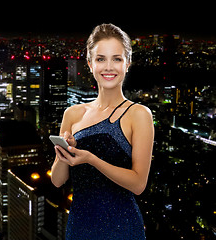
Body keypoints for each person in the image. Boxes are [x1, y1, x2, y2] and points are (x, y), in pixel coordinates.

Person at [51, 23, 154, 239]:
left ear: (127, 63)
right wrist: (64, 154)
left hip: (122, 228)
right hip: (79, 226)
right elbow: (58, 180)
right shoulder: (72, 113)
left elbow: (138, 184)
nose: (109, 67)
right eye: (101, 59)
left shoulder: (139, 114)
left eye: (117, 59)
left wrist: (91, 159)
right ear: (89, 64)